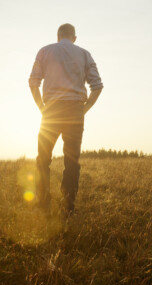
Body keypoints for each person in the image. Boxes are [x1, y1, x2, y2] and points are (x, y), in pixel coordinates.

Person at [29, 23, 103, 219]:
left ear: (58, 36)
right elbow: (97, 85)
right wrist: (84, 109)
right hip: (75, 111)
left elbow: (33, 81)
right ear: (74, 38)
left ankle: (43, 204)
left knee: (43, 159)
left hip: (51, 111)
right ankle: (68, 208)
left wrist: (41, 108)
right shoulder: (84, 54)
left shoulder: (45, 51)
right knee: (72, 161)